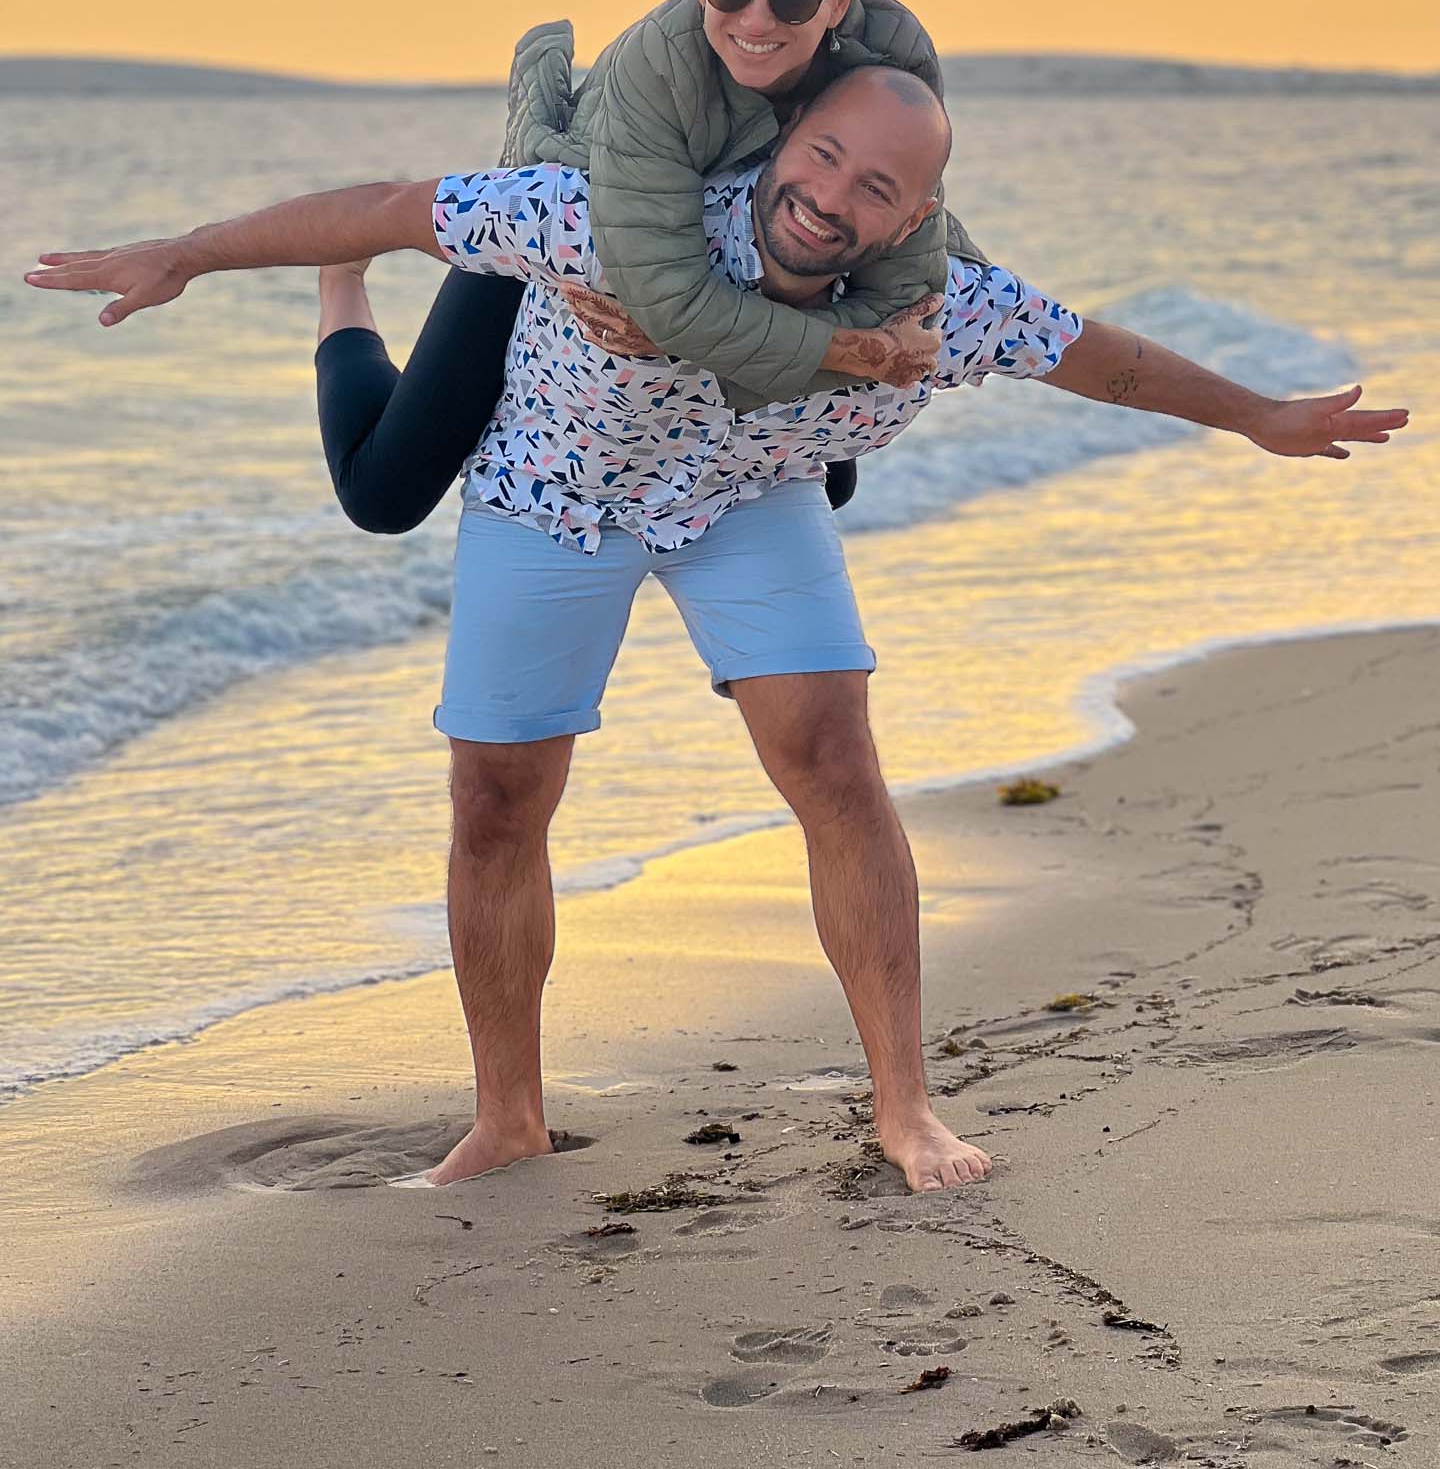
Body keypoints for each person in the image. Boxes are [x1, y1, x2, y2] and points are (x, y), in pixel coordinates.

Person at [25, 65, 1408, 1194]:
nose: (833, 198)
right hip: (549, 488)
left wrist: (1263, 417)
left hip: (747, 496)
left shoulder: (940, 296)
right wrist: (189, 254)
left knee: (832, 756)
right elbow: (391, 205)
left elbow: (1102, 354)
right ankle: (508, 1115)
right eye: (822, 158)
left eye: (880, 186)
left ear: (923, 212)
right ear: (779, 142)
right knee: (496, 793)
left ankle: (904, 1107)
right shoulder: (617, 218)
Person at [308, 0, 987, 539]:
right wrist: (831, 348)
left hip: (746, 275)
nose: (757, 20)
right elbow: (661, 300)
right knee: (385, 496)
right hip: (591, 224)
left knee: (821, 481)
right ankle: (340, 281)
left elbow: (909, 214)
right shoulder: (659, 59)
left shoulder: (894, 53)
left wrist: (980, 316)